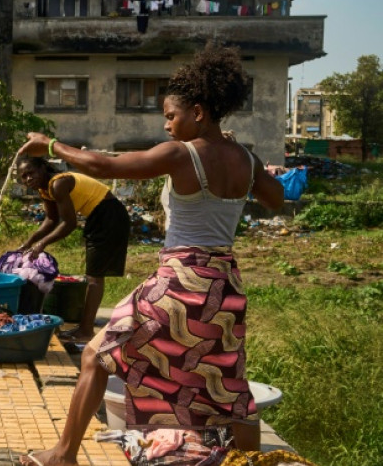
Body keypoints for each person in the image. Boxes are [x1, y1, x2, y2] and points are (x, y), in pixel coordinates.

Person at [16, 43, 284, 466]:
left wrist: (51, 146)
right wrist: (243, 158)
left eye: (171, 116)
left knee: (96, 356)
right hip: (224, 286)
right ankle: (250, 463)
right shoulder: (246, 159)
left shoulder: (181, 154)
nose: (166, 125)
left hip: (179, 280)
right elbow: (277, 198)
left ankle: (63, 456)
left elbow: (104, 165)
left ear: (199, 112)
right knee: (230, 386)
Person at [16, 157, 130, 341]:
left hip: (109, 215)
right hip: (99, 215)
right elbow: (51, 220)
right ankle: (84, 327)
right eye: (23, 176)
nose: (28, 178)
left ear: (43, 168)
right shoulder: (45, 189)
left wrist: (42, 244)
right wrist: (28, 243)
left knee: (94, 278)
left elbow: (69, 224)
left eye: (31, 173)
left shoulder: (58, 183)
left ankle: (86, 330)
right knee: (94, 276)